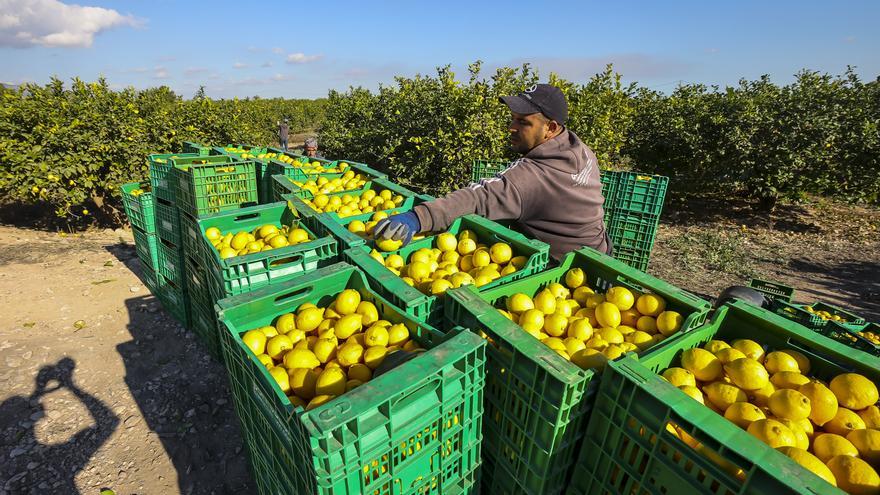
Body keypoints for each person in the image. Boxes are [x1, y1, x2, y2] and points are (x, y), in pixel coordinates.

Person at [374, 83, 611, 260]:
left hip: (566, 273)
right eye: (513, 119)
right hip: (600, 253)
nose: (511, 128)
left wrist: (417, 218)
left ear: (550, 128)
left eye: (523, 122)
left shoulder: (533, 176)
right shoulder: (580, 149)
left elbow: (479, 197)